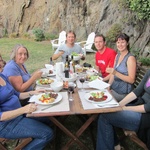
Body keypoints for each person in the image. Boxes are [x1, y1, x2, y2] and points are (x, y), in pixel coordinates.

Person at [96, 69, 150, 150]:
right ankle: (115, 145)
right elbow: (137, 91)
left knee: (105, 116)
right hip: (140, 105)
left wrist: (124, 108)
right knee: (107, 110)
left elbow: (147, 108)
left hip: (146, 117)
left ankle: (114, 144)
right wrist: (119, 105)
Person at [0, 73, 54, 150]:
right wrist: (23, 109)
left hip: (19, 114)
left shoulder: (2, 76)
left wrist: (32, 93)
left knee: (49, 119)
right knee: (47, 134)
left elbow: (16, 94)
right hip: (6, 124)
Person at [106, 33, 137, 101]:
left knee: (100, 98)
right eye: (118, 42)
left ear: (127, 43)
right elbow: (113, 74)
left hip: (123, 94)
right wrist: (108, 86)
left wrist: (116, 73)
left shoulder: (130, 58)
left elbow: (131, 80)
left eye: (123, 42)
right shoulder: (118, 56)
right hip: (114, 89)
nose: (120, 45)